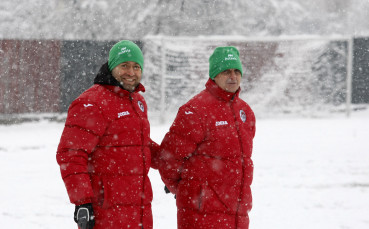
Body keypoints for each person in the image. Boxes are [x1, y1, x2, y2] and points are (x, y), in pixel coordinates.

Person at [56, 40, 159, 229]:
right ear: (112, 67)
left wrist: (173, 166)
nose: (131, 72)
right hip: (106, 212)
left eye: (136, 67)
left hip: (140, 211)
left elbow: (139, 144)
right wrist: (83, 202)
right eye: (124, 65)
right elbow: (71, 154)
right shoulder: (91, 103)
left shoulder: (137, 101)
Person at [158, 46, 256, 229]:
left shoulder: (245, 112)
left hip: (237, 215)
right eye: (226, 71)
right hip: (200, 216)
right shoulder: (195, 111)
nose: (233, 76)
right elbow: (168, 159)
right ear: (214, 75)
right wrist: (185, 190)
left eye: (236, 71)